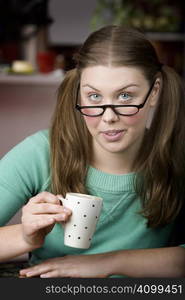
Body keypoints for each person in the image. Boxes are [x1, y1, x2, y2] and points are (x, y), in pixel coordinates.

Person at [0, 25, 185, 278]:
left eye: (125, 96)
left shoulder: (177, 157)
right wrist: (25, 237)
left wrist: (107, 263)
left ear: (153, 92)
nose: (108, 117)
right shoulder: (40, 153)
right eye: (94, 97)